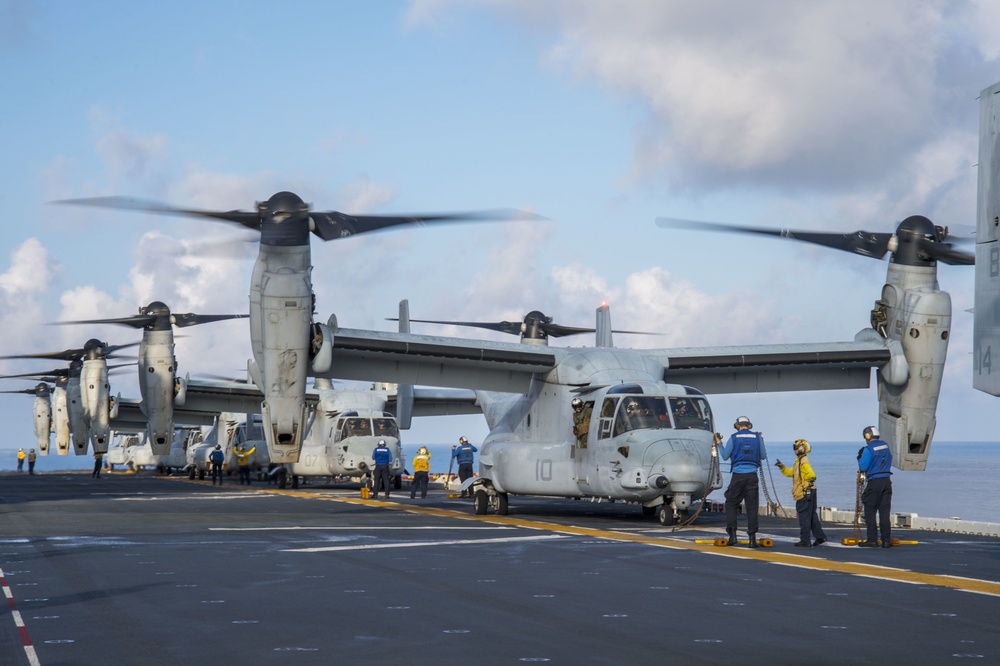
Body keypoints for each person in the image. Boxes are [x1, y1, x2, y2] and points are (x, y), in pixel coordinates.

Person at [717, 416, 767, 548]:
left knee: (731, 503)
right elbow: (763, 456)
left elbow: (724, 456)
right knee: (752, 507)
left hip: (738, 476)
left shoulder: (734, 438)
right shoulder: (757, 438)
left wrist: (718, 443)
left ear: (737, 425)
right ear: (749, 425)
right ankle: (752, 539)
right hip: (752, 476)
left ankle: (732, 536)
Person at [776, 439, 827, 547]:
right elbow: (792, 473)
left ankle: (805, 540)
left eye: (796, 448)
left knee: (804, 516)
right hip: (810, 491)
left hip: (804, 492)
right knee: (812, 515)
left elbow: (812, 475)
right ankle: (820, 536)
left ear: (802, 448)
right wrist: (782, 467)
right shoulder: (799, 461)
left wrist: (805, 483)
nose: (795, 450)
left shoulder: (803, 462)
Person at [857, 425, 893, 548]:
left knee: (870, 511)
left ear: (868, 435)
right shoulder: (885, 445)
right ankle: (886, 540)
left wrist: (859, 458)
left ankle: (872, 539)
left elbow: (863, 467)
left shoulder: (868, 449)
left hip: (874, 482)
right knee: (884, 512)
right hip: (886, 482)